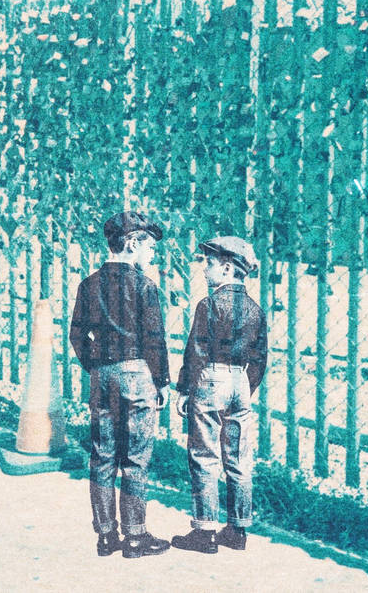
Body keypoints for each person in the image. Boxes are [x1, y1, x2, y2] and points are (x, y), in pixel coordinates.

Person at [70, 211, 171, 558]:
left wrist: (96, 366)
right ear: (131, 244)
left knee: (102, 456)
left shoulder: (88, 285)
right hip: (137, 374)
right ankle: (136, 536)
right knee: (135, 458)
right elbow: (154, 340)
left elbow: (77, 335)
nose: (152, 254)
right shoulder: (145, 287)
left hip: (102, 376)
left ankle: (105, 535)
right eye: (149, 247)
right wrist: (161, 381)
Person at [171, 236, 268, 554]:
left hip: (211, 377)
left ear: (227, 268)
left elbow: (196, 350)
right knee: (238, 458)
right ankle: (238, 530)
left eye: (209, 263)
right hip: (241, 381)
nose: (204, 269)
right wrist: (245, 387)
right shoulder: (255, 310)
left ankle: (205, 531)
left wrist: (185, 389)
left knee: (204, 455)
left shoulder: (209, 305)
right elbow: (260, 357)